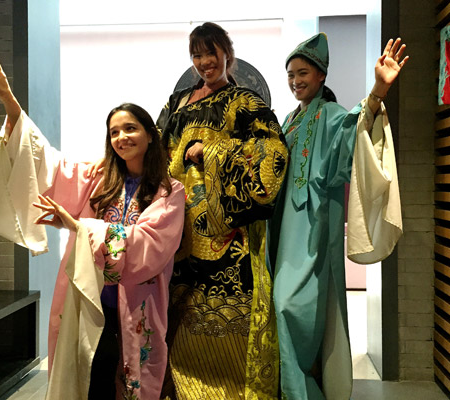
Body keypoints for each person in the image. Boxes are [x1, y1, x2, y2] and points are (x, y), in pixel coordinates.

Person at [0, 52, 185, 400]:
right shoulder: (99, 177)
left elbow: (150, 244)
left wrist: (78, 226)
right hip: (89, 298)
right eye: (114, 132)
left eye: (130, 129)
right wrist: (9, 102)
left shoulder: (169, 191)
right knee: (89, 382)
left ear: (150, 135)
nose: (121, 137)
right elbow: (46, 163)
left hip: (137, 306)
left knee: (131, 384)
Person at [267, 33, 407, 399]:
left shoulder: (329, 114)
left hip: (312, 227)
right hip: (284, 225)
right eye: (291, 75)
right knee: (278, 306)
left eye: (303, 73)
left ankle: (300, 392)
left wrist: (378, 91)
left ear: (321, 76)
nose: (296, 81)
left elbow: (356, 128)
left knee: (288, 306)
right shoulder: (290, 120)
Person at [156, 22, 288, 399]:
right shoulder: (177, 102)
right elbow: (156, 148)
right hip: (178, 227)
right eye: (196, 55)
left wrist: (213, 152)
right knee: (177, 313)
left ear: (227, 53)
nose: (204, 62)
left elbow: (273, 155)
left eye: (210, 53)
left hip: (228, 236)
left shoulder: (245, 102)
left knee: (229, 318)